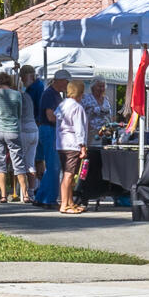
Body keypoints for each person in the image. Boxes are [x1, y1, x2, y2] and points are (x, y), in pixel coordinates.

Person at [0, 66, 33, 203]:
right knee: (18, 162)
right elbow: (18, 114)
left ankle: (3, 195)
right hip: (12, 129)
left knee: (0, 163)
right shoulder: (17, 94)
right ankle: (25, 194)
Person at [54, 78, 92, 213]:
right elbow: (79, 128)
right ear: (80, 93)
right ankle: (64, 204)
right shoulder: (77, 108)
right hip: (73, 144)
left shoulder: (62, 104)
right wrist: (82, 146)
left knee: (67, 174)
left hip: (61, 143)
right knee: (69, 175)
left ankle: (70, 202)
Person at [24, 64, 59, 209]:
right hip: (42, 128)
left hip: (37, 126)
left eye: (22, 77)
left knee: (43, 163)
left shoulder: (38, 88)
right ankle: (44, 196)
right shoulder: (44, 90)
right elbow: (50, 116)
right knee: (50, 165)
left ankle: (40, 194)